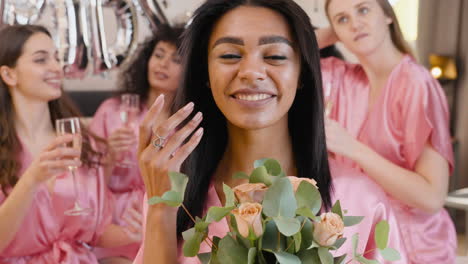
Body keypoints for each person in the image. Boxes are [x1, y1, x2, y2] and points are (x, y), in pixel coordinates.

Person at [133, 0, 408, 263]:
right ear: (205, 72)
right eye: (229, 55)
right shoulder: (173, 193)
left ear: (302, 73)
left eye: (275, 56)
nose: (252, 72)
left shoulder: (361, 200)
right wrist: (160, 211)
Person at [317, 0, 457, 262]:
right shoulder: (340, 77)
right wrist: (334, 31)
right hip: (361, 240)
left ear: (388, 15)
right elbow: (285, 51)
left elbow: (432, 197)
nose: (355, 23)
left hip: (414, 244)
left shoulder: (417, 84)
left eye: (364, 9)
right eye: (343, 19)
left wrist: (353, 149)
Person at [0, 25, 140, 263]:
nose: (56, 67)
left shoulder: (81, 143)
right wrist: (32, 179)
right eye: (41, 59)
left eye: (57, 58)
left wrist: (134, 231)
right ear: (9, 74)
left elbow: (95, 232)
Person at [88, 24, 185, 262]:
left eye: (176, 60)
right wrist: (109, 155)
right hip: (113, 220)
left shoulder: (188, 122)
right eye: (158, 55)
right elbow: (88, 185)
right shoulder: (111, 110)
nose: (162, 64)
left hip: (168, 217)